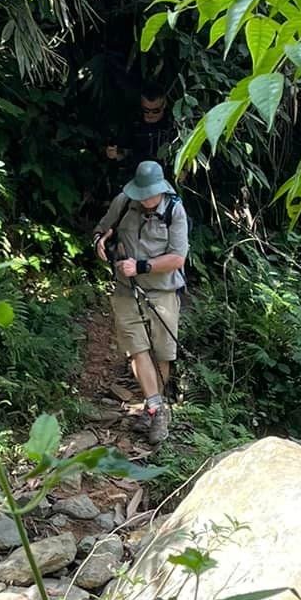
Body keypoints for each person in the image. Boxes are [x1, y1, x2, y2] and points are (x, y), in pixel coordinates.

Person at [94, 158, 188, 441]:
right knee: (137, 348)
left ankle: (154, 404)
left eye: (151, 194)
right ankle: (157, 410)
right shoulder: (123, 202)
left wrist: (142, 266)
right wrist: (100, 242)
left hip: (163, 291)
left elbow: (177, 258)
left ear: (161, 189)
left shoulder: (174, 210)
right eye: (142, 193)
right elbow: (103, 228)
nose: (146, 199)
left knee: (162, 353)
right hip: (126, 290)